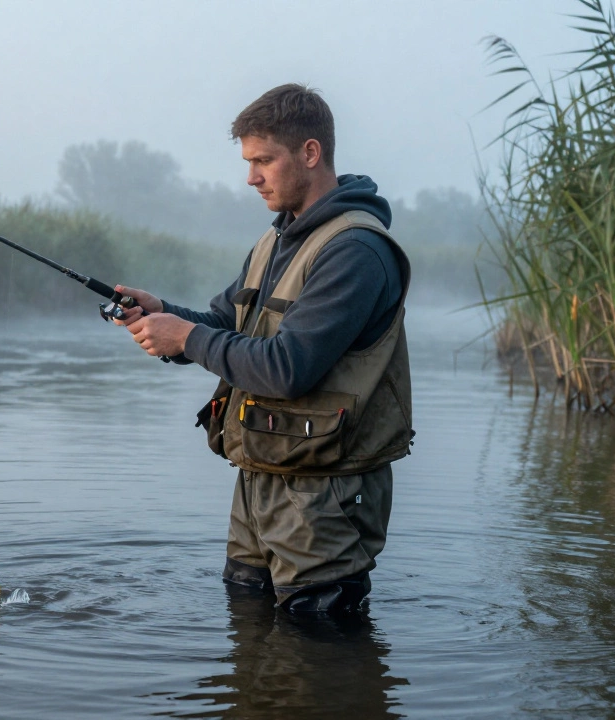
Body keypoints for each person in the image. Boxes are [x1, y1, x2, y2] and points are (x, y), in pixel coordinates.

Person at [114, 83, 413, 615]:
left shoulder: (356, 250)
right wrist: (161, 312)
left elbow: (286, 368)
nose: (250, 177)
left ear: (311, 153)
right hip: (260, 481)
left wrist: (184, 337)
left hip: (325, 499)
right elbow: (226, 325)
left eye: (263, 161)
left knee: (317, 658)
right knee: (246, 632)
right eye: (249, 161)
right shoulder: (275, 240)